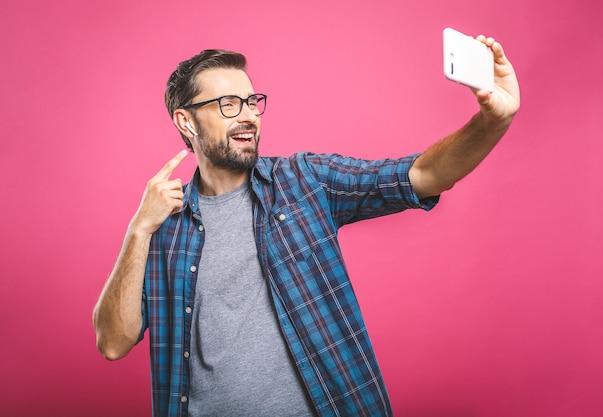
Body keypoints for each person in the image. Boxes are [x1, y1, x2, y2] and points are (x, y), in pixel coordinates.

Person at [93, 35, 520, 417]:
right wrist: (138, 231)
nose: (248, 116)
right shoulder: (163, 228)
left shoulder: (304, 181)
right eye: (228, 105)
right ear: (187, 122)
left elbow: (422, 176)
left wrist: (492, 121)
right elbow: (113, 342)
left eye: (250, 101)